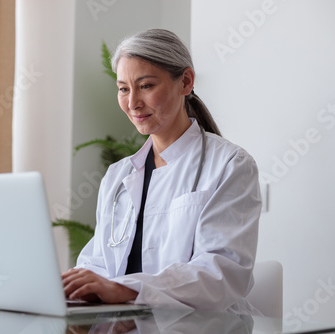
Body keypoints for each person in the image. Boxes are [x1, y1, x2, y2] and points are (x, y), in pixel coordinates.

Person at [62, 29, 261, 314]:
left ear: (186, 82)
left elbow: (221, 273)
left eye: (145, 86)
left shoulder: (230, 165)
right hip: (125, 324)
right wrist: (74, 285)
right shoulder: (118, 176)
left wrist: (126, 289)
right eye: (123, 88)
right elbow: (98, 261)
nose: (132, 103)